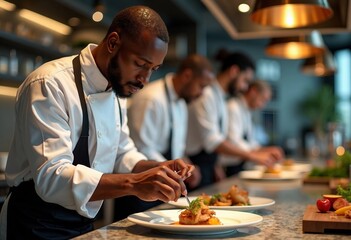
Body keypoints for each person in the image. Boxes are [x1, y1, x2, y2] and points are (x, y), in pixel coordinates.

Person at [0, 6, 194, 239]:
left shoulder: (117, 88)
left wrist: (158, 168)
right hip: (35, 223)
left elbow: (122, 154)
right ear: (113, 43)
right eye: (140, 64)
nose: (145, 79)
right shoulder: (49, 84)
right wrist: (134, 183)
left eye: (153, 69)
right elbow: (51, 177)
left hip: (82, 224)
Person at [113, 54, 213, 221]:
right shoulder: (151, 98)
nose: (201, 93)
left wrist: (186, 165)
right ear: (187, 75)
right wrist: (170, 170)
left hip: (163, 182)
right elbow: (142, 146)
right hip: (140, 185)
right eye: (201, 86)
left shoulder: (181, 102)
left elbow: (177, 145)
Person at [186, 51, 282, 188]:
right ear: (234, 71)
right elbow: (212, 141)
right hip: (195, 165)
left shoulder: (220, 97)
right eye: (245, 81)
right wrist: (253, 155)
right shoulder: (206, 95)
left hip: (207, 165)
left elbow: (218, 138)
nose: (245, 87)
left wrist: (216, 165)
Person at [220, 80, 284, 176]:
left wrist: (265, 150)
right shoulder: (233, 107)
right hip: (229, 166)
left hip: (240, 164)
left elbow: (249, 141)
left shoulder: (246, 111)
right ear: (253, 92)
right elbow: (233, 142)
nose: (262, 106)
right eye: (263, 99)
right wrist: (257, 154)